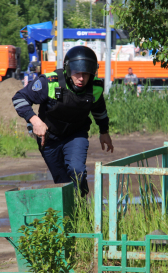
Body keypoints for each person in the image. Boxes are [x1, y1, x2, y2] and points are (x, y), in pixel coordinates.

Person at [12, 46, 114, 196]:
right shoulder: (50, 82)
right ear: (68, 70)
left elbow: (99, 110)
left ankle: (82, 207)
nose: (81, 78)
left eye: (86, 74)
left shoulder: (95, 87)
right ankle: (70, 215)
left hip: (76, 135)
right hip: (49, 138)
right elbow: (19, 98)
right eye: (77, 73)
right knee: (62, 181)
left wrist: (104, 131)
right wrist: (35, 120)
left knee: (77, 170)